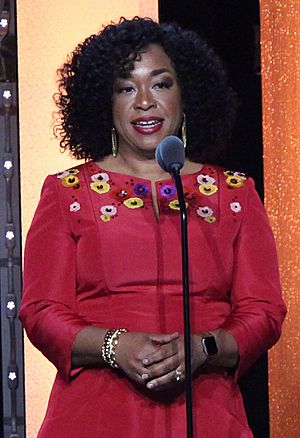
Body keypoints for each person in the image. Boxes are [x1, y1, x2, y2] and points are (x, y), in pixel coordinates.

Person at [19, 17, 286, 438]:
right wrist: (115, 345)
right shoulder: (67, 192)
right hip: (95, 415)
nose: (145, 101)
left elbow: (264, 313)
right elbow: (40, 311)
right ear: (105, 103)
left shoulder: (234, 194)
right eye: (126, 88)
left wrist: (203, 347)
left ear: (187, 94)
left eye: (161, 84)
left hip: (207, 413)